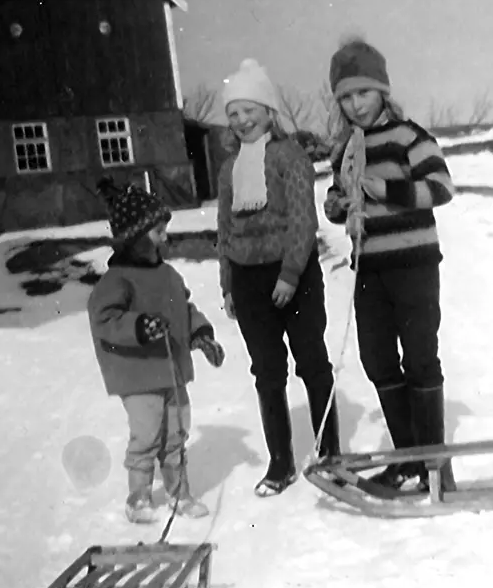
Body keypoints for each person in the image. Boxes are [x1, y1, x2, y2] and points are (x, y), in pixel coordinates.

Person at [322, 37, 458, 493]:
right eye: (345, 96)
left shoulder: (409, 137)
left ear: (382, 90)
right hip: (370, 269)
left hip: (415, 264)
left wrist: (388, 190)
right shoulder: (346, 150)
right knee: (377, 359)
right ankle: (407, 458)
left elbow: (440, 187)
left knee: (420, 356)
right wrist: (341, 203)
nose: (355, 105)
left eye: (362, 93)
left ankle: (432, 463)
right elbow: (333, 203)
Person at [216, 58, 340, 497]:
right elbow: (225, 229)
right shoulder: (229, 168)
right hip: (249, 281)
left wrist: (289, 274)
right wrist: (228, 284)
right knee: (267, 373)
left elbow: (304, 221)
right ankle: (280, 462)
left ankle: (331, 454)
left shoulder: (290, 156)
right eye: (233, 113)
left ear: (269, 111)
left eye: (249, 109)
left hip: (294, 275)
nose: (241, 120)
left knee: (311, 362)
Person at [88, 179, 226, 524]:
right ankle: (138, 500)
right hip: (138, 374)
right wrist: (140, 326)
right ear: (134, 238)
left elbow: (185, 308)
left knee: (176, 434)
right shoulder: (117, 280)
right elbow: (105, 320)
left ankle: (181, 495)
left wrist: (200, 334)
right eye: (157, 231)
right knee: (147, 436)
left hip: (172, 369)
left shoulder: (169, 275)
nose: (165, 237)